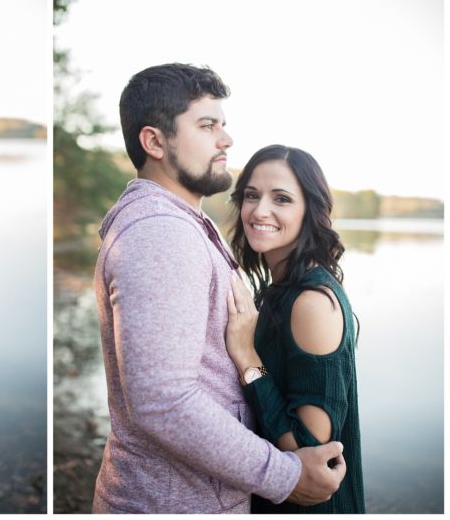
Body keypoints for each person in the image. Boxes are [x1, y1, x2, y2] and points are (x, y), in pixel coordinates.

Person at [92, 63, 347, 514]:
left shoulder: (180, 223)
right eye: (207, 126)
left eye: (223, 126)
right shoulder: (160, 233)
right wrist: (283, 475)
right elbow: (163, 400)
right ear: (154, 141)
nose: (226, 140)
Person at [225, 145, 365, 513]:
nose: (259, 210)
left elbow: (308, 447)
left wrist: (247, 359)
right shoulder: (280, 288)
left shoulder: (312, 303)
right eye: (251, 195)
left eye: (282, 199)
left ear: (310, 212)